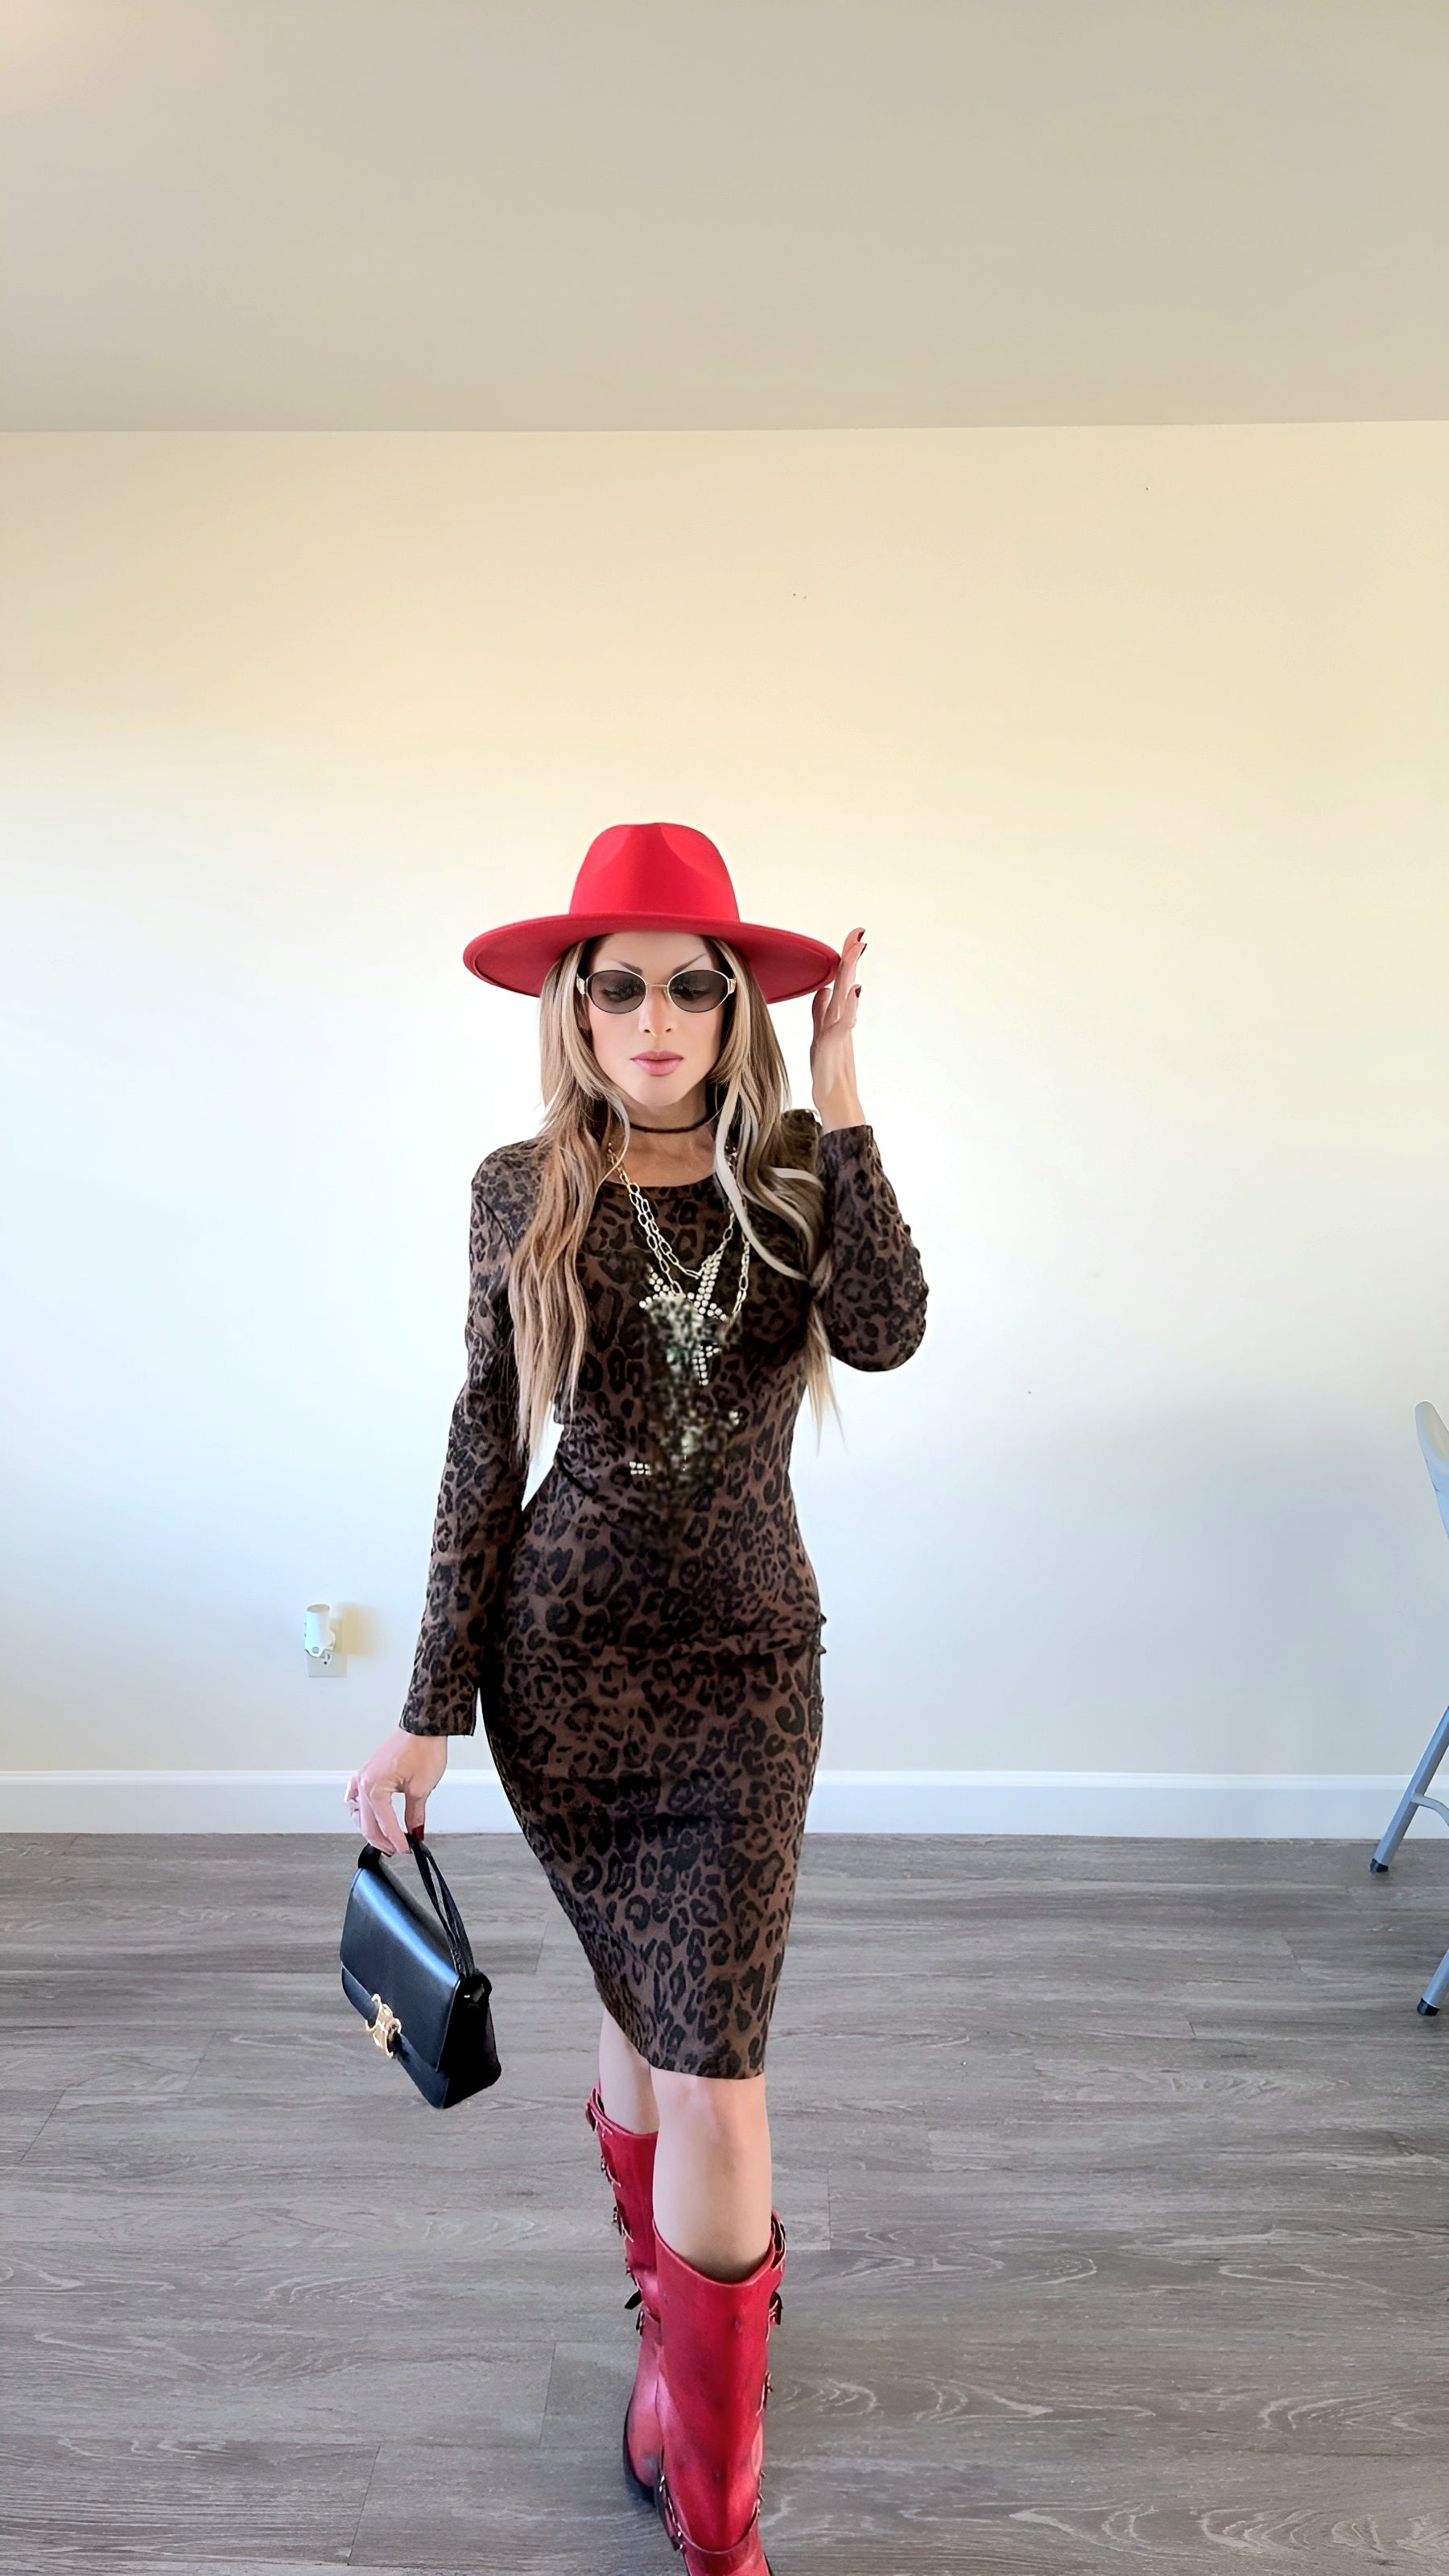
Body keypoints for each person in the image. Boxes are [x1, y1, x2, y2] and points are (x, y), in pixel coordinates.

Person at [345, 819, 928, 2574]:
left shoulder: (793, 1177)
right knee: (641, 2007)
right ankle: (671, 2342)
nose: (655, 1020)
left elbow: (887, 1328)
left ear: (737, 1006)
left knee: (715, 2072)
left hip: (749, 1674)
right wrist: (430, 1704)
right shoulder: (518, 1189)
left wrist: (839, 1083)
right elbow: (482, 1443)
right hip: (567, 1682)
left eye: (692, 988)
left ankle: (716, 2516)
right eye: (621, 988)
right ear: (575, 1007)